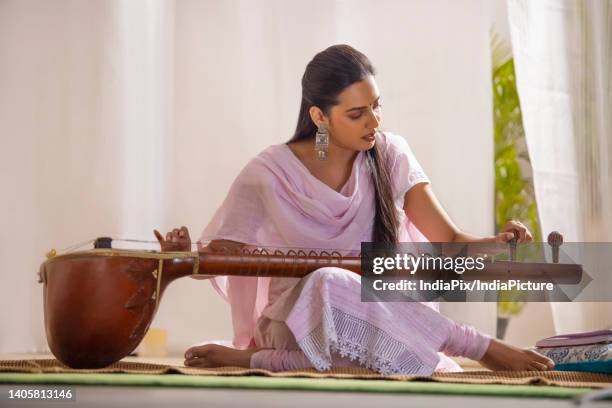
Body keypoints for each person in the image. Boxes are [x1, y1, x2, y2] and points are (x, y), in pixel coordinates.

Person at [154, 44, 555, 374]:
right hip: (302, 323)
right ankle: (479, 346)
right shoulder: (268, 173)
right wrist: (185, 255)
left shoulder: (391, 153)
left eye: (377, 106)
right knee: (328, 281)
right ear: (319, 117)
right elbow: (225, 255)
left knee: (378, 307)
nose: (374, 121)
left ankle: (264, 363)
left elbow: (447, 239)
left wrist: (499, 244)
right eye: (357, 114)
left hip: (382, 317)